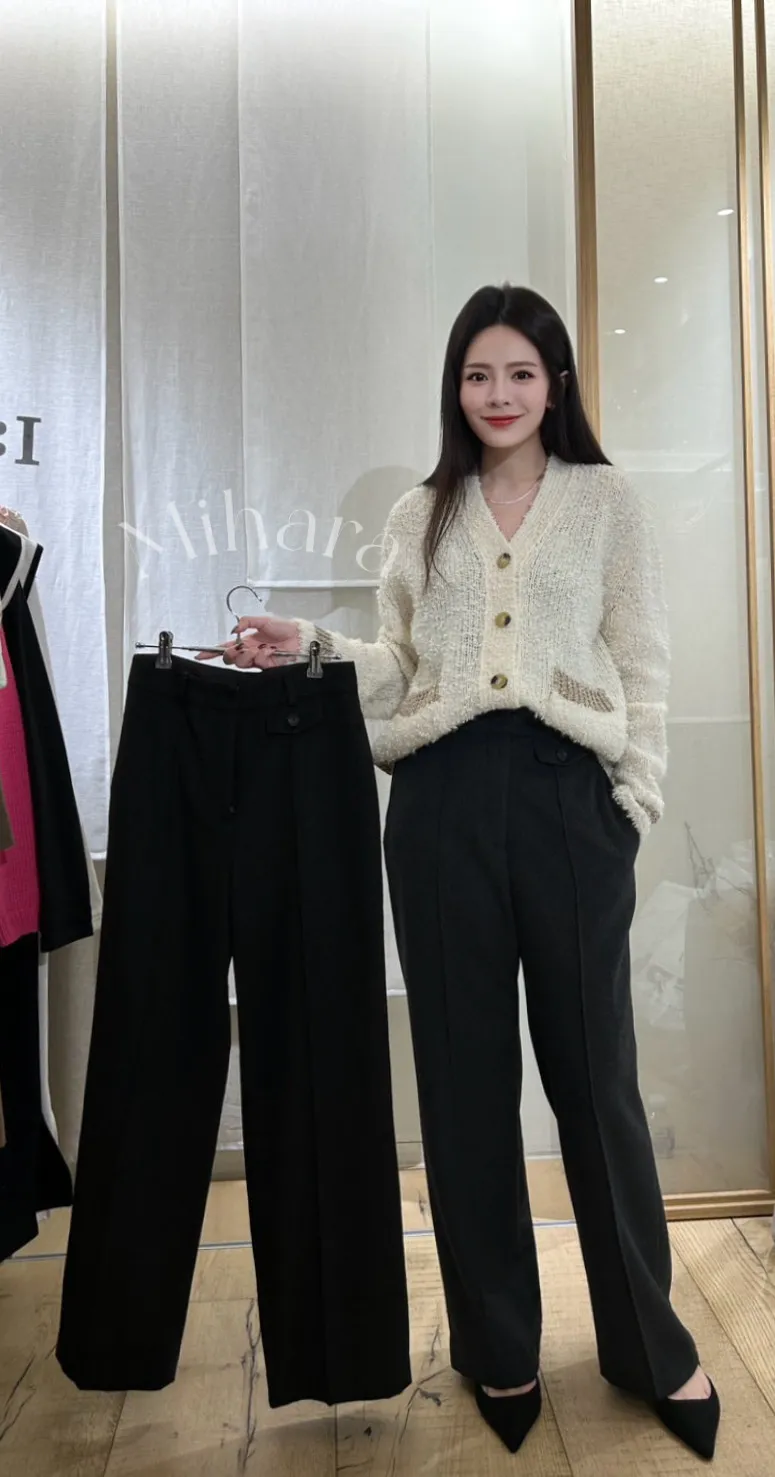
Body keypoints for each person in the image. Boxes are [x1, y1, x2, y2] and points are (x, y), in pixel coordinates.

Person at [198, 285, 720, 1462]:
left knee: (597, 1082)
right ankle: (498, 1343)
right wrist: (312, 645)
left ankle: (650, 1344)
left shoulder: (606, 504)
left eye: (520, 373)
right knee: (464, 1086)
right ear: (456, 386)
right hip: (437, 807)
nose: (498, 394)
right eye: (479, 374)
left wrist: (631, 799)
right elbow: (400, 659)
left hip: (569, 802)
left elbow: (641, 657)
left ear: (556, 383)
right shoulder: (420, 512)